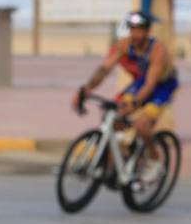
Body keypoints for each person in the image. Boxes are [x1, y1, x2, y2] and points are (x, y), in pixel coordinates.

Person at [71, 11, 178, 156]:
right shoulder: (125, 45)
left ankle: (154, 156)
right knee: (113, 118)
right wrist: (84, 89)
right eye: (132, 29)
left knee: (141, 125)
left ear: (147, 31)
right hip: (142, 81)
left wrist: (135, 103)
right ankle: (124, 156)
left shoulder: (158, 50)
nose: (135, 34)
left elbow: (151, 84)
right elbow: (104, 70)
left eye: (139, 29)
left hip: (163, 86)